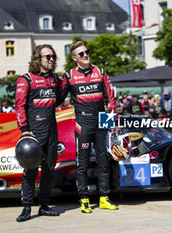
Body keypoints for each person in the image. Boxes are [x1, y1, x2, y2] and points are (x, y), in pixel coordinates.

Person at [59, 41, 118, 213]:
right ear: (74, 58)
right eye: (81, 54)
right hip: (83, 125)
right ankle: (83, 199)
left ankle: (104, 198)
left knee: (103, 161)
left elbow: (110, 99)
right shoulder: (69, 76)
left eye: (87, 52)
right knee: (82, 163)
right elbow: (58, 98)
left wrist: (112, 123)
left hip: (101, 121)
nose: (86, 55)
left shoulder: (100, 72)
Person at [15, 44, 62, 222]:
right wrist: (25, 130)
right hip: (34, 132)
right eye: (47, 57)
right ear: (38, 59)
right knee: (30, 169)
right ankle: (27, 207)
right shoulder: (25, 79)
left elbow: (57, 100)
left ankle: (44, 206)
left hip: (52, 131)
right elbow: (19, 107)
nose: (51, 59)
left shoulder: (55, 79)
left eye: (53, 56)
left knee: (49, 169)